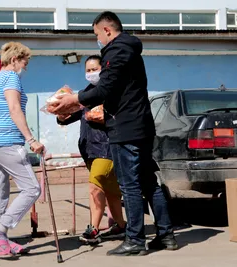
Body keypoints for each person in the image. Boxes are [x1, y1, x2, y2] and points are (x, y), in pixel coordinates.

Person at [48, 11, 178, 256]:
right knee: (149, 182)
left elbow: (106, 88)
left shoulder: (116, 50)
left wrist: (73, 99)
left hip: (126, 128)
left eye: (97, 34)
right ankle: (166, 235)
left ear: (107, 30)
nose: (97, 39)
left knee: (129, 185)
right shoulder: (129, 49)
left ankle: (135, 240)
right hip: (140, 125)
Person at [0, 41, 45, 257]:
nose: (25, 67)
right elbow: (14, 107)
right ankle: (0, 230)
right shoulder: (10, 77)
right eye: (24, 63)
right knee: (32, 188)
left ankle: (1, 239)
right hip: (7, 141)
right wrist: (31, 139)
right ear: (14, 60)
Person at [57, 55, 126, 245]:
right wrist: (61, 115)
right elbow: (70, 116)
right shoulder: (84, 93)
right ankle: (120, 226)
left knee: (95, 184)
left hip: (107, 146)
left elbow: (120, 115)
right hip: (88, 148)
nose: (91, 73)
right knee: (111, 190)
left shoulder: (112, 91)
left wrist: (104, 117)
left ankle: (93, 228)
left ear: (104, 69)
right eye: (87, 70)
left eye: (94, 69)